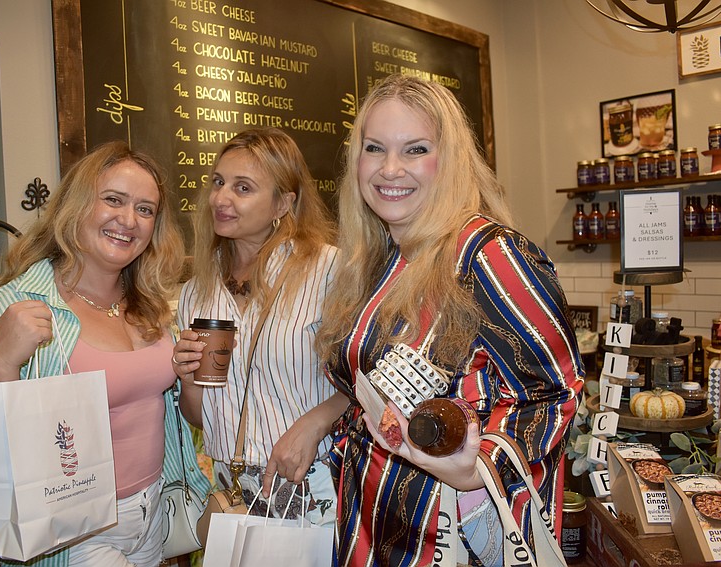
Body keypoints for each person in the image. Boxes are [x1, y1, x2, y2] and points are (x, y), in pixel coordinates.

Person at [316, 74, 585, 566]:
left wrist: (477, 469)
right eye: (374, 148)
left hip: (446, 538)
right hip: (372, 525)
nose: (390, 168)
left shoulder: (489, 255)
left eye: (415, 149)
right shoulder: (377, 259)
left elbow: (556, 392)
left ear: (451, 161)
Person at [0, 140, 193, 566]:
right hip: (71, 530)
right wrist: (1, 360)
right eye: (113, 200)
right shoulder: (13, 305)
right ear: (76, 205)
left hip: (153, 511)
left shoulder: (149, 304)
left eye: (145, 209)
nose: (128, 220)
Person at [170, 128, 347, 525]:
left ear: (283, 202)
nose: (221, 198)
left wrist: (315, 423)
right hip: (232, 493)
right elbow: (201, 417)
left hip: (312, 486)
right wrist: (190, 381)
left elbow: (370, 380)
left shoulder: (328, 270)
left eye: (243, 188)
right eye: (218, 182)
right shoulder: (196, 291)